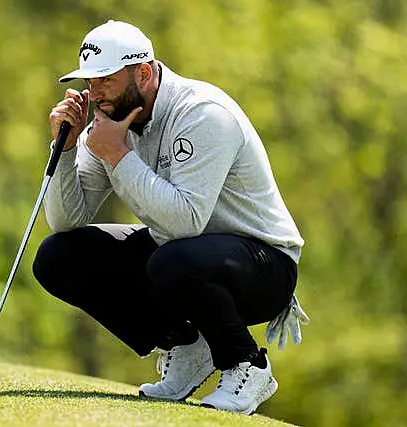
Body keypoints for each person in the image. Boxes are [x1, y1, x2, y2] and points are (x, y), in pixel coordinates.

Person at [32, 20, 307, 415]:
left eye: (106, 81)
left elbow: (185, 221)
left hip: (264, 266)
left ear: (142, 73)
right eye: (90, 83)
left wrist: (117, 155)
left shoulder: (202, 112)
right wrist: (69, 149)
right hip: (183, 258)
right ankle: (189, 344)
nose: (95, 95)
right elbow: (66, 220)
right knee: (57, 256)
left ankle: (247, 365)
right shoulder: (108, 125)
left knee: (173, 260)